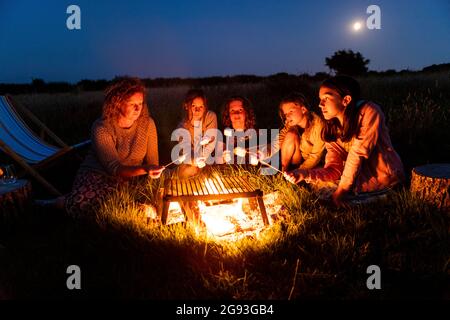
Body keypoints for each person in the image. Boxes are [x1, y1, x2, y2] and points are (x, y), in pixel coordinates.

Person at [284, 75, 405, 206]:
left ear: (346, 100)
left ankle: (386, 194)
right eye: (320, 99)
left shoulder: (369, 112)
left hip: (384, 175)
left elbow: (357, 154)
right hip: (357, 176)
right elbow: (334, 169)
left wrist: (341, 190)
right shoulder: (332, 127)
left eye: (326, 98)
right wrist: (304, 174)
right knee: (318, 184)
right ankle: (348, 195)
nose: (320, 104)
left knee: (331, 196)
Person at [64, 77, 164, 217]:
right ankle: (61, 202)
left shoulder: (148, 124)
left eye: (140, 103)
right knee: (84, 202)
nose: (137, 108)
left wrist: (154, 174)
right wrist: (145, 169)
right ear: (117, 104)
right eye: (132, 104)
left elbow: (153, 161)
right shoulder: (102, 127)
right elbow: (115, 169)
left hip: (129, 179)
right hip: (97, 174)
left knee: (125, 202)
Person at [263, 92, 325, 171]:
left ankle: (295, 175)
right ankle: (284, 172)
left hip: (317, 162)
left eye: (291, 111)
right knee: (290, 135)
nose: (287, 116)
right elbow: (276, 144)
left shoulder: (318, 126)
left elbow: (316, 156)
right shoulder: (291, 124)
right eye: (285, 114)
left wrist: (299, 172)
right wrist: (261, 153)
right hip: (299, 160)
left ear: (303, 109)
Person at [175, 88, 217, 178]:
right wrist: (195, 161)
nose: (197, 110)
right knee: (186, 171)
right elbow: (186, 150)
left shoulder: (210, 117)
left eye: (201, 107)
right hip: (192, 161)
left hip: (210, 158)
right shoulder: (181, 127)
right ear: (186, 106)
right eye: (194, 106)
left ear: (205, 107)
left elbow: (211, 142)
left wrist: (203, 158)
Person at [220, 96, 258, 164]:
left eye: (240, 110)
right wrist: (224, 157)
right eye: (232, 110)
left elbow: (260, 156)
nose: (236, 114)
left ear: (246, 112)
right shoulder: (224, 134)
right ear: (228, 114)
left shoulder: (256, 133)